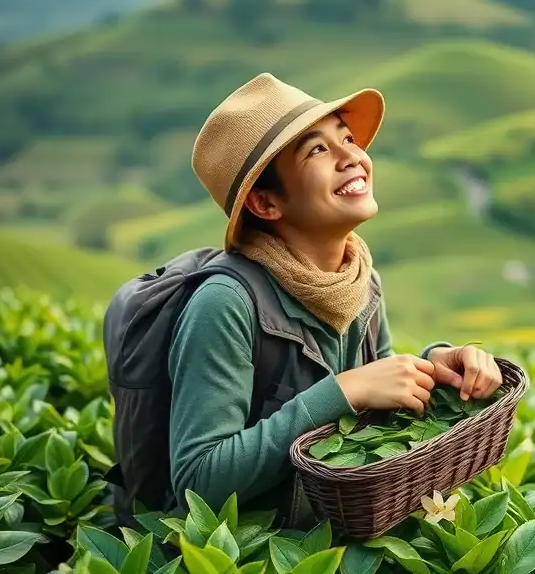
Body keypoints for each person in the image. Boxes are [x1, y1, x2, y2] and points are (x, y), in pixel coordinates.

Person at [170, 73, 504, 528]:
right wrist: (342, 392)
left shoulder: (360, 282)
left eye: (346, 138)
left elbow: (376, 404)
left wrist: (438, 365)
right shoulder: (224, 304)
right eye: (318, 150)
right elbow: (197, 482)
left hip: (337, 537)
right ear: (266, 203)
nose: (354, 157)